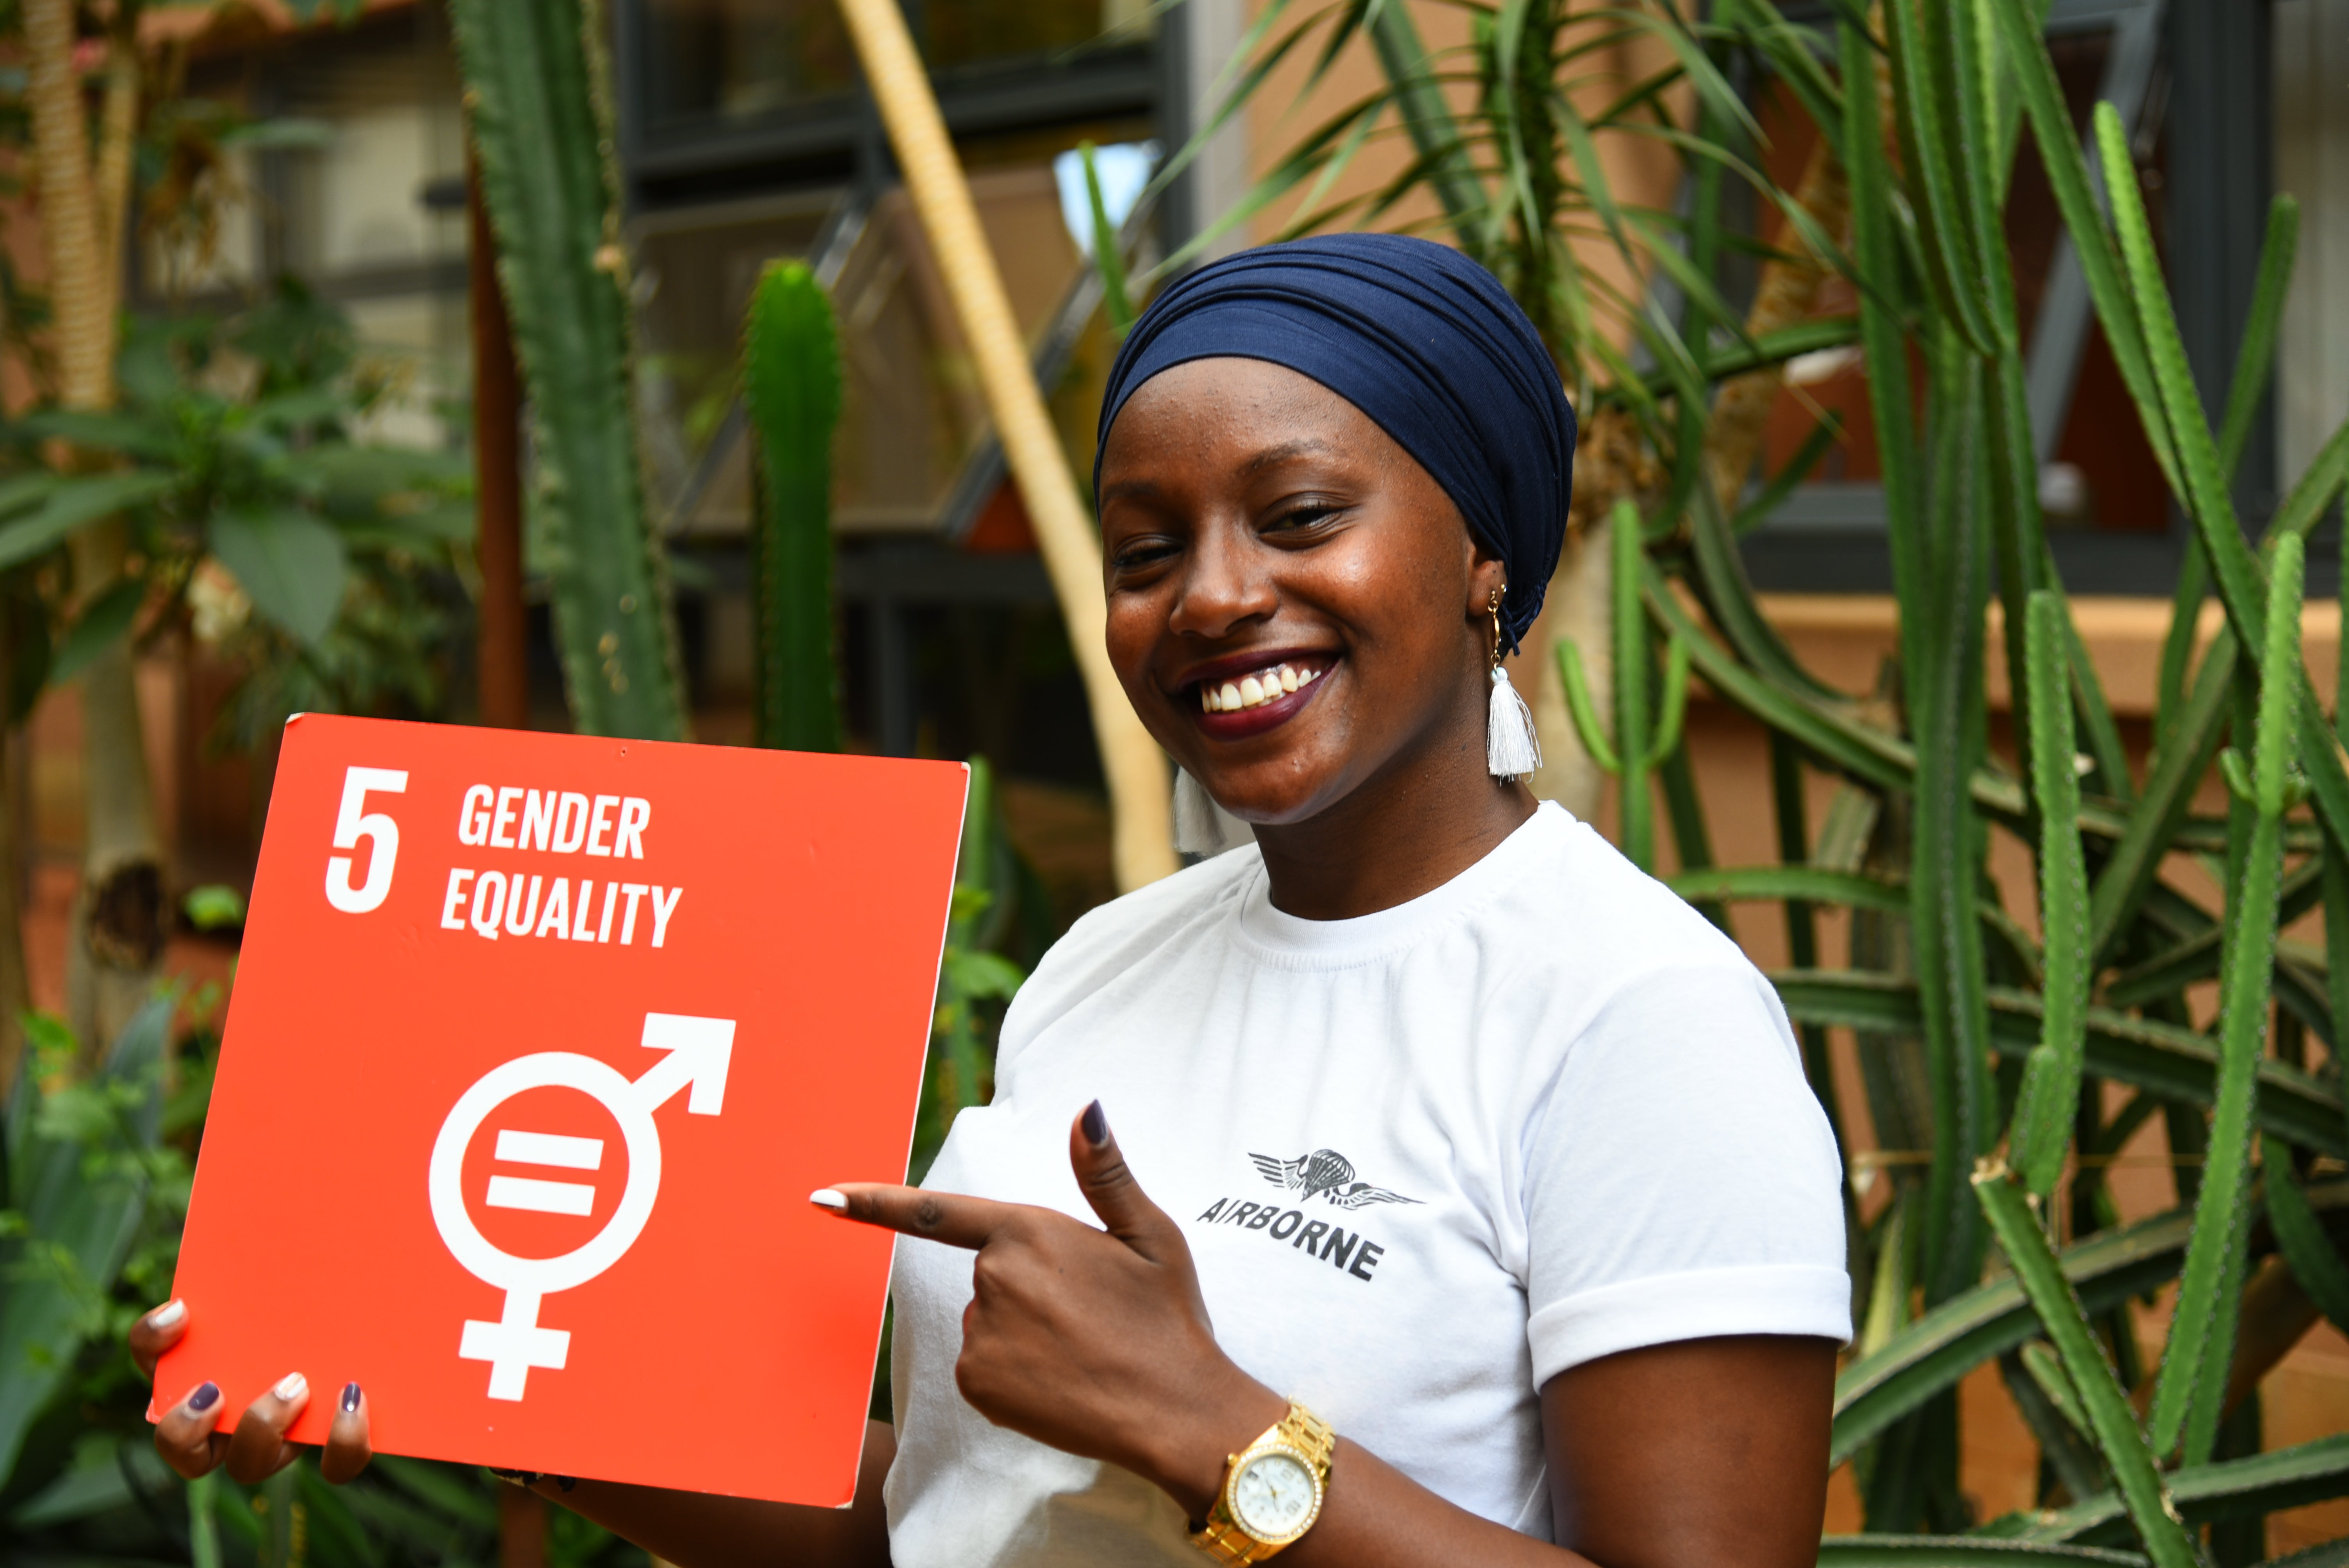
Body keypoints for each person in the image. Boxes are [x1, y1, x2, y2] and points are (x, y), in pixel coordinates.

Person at [132, 233, 1849, 1567]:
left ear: (1487, 558)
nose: (1215, 597)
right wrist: (494, 1382)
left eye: (1301, 514)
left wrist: (1211, 1424)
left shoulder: (1642, 1021)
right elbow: (940, 1527)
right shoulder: (1105, 965)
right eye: (1147, 546)